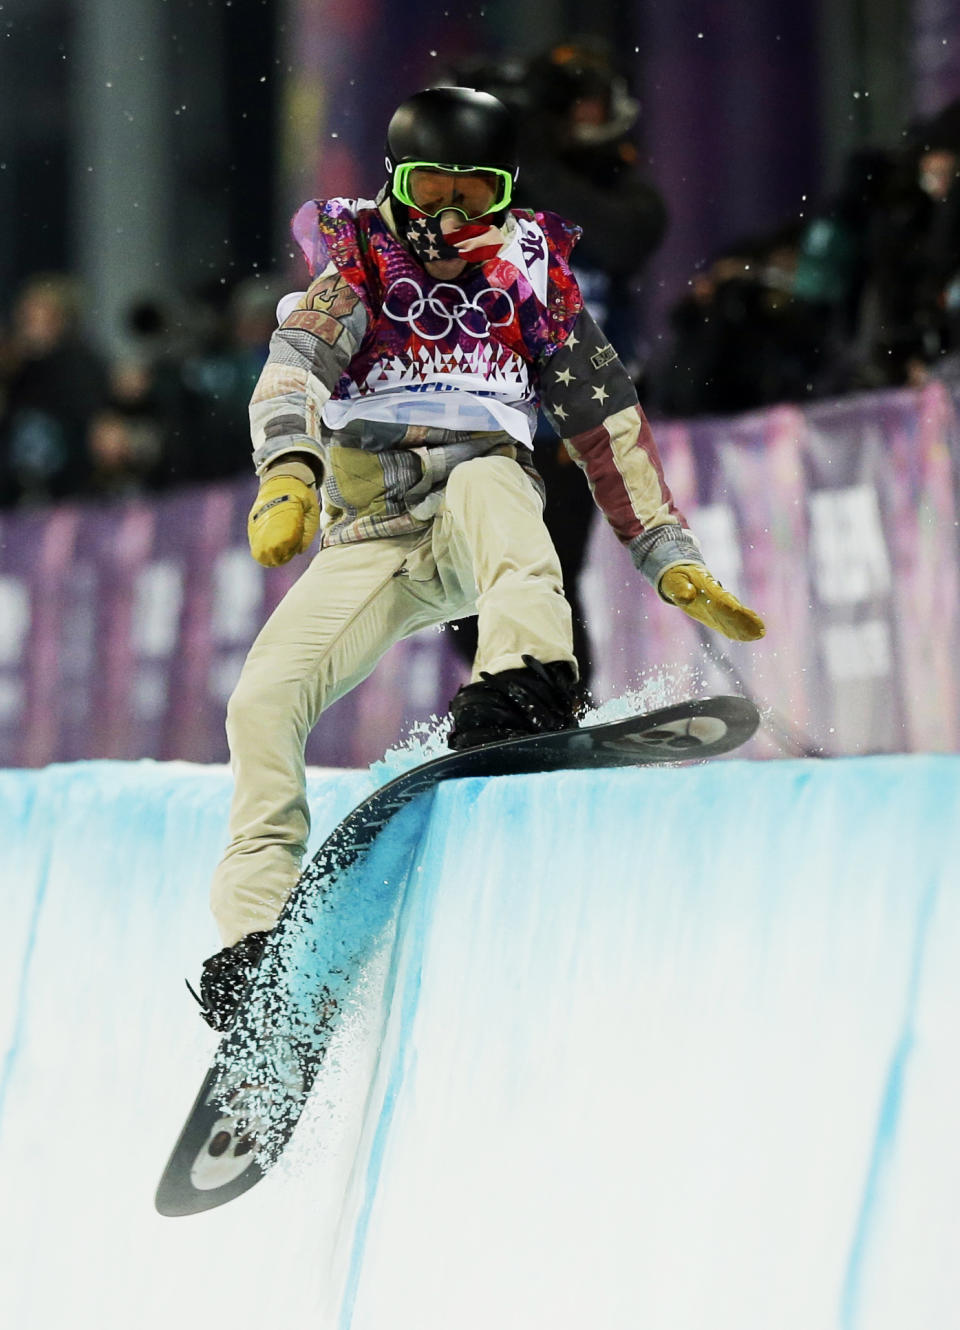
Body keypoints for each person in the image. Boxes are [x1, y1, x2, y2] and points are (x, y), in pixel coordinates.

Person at [195, 86, 765, 1031]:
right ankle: (254, 948)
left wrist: (665, 550)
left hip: (473, 516)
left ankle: (525, 677)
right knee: (260, 705)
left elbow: (604, 422)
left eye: (474, 192)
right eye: (429, 190)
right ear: (394, 182)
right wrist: (289, 475)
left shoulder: (529, 282)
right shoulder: (358, 268)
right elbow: (291, 371)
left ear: (508, 193)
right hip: (373, 539)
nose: (448, 217)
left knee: (495, 483)